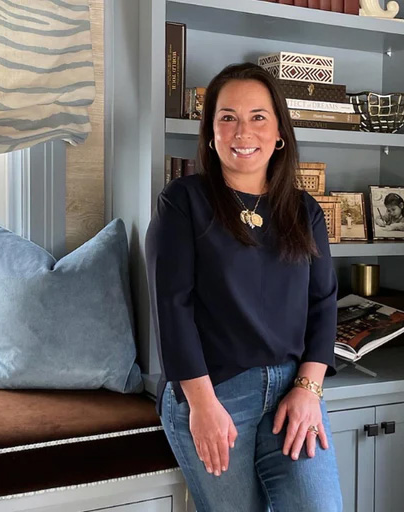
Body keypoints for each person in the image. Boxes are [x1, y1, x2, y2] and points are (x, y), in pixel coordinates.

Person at [145, 62, 342, 511]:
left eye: (258, 117)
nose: (242, 131)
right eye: (227, 117)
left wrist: (309, 390)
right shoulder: (183, 201)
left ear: (279, 134)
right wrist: (202, 405)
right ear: (211, 133)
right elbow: (172, 307)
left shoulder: (305, 209)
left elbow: (323, 303)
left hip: (294, 394)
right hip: (214, 394)